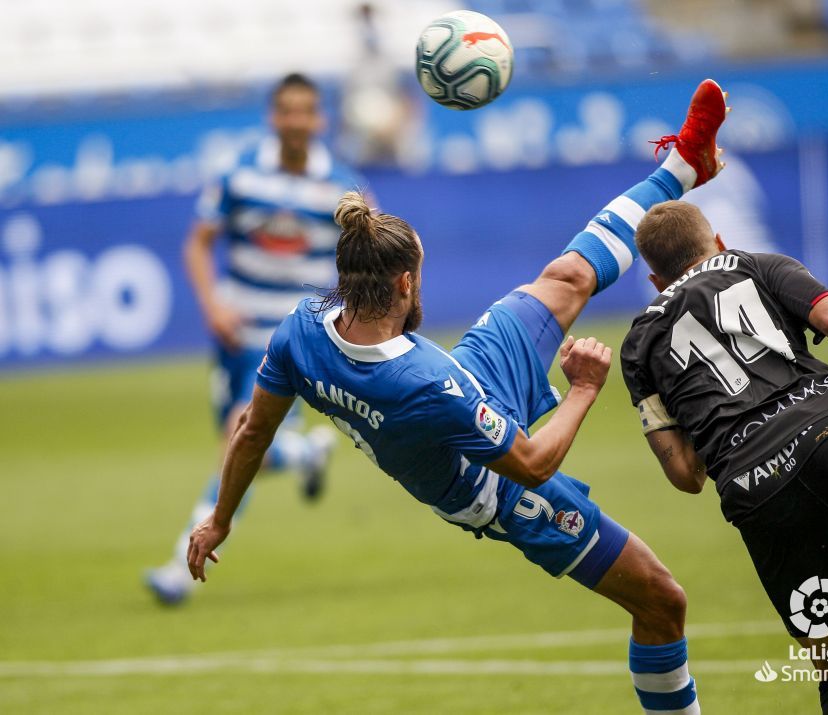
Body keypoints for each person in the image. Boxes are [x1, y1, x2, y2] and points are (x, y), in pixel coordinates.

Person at [187, 79, 730, 714]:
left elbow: (252, 430)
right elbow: (532, 465)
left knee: (567, 276)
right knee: (662, 601)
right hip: (495, 490)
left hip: (472, 376)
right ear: (405, 283)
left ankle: (683, 166)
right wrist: (583, 389)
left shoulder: (301, 328)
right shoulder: (425, 382)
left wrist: (221, 518)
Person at [620, 201, 828, 714]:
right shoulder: (753, 264)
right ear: (718, 243)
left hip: (758, 493)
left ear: (655, 280)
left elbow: (685, 474)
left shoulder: (639, 342)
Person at [146, 73, 366, 605]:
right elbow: (198, 244)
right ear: (274, 117)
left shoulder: (342, 187)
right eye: (287, 110)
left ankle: (182, 565)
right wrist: (212, 305)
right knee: (242, 449)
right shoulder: (240, 174)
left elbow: (369, 254)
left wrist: (344, 319)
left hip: (293, 337)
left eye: (306, 110)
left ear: (320, 119)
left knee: (239, 439)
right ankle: (303, 452)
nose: (296, 121)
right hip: (236, 333)